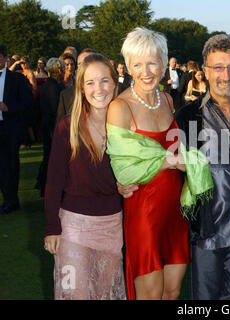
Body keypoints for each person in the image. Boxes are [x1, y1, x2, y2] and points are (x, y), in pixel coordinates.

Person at [106, 27, 193, 300]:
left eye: (153, 62)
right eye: (137, 64)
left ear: (165, 63)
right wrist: (170, 161)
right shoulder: (120, 107)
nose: (146, 71)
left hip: (176, 211)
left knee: (172, 290)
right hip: (145, 213)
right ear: (128, 66)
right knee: (151, 294)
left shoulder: (167, 99)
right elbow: (122, 167)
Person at [175, 33, 230, 300]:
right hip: (205, 231)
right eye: (218, 67)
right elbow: (168, 166)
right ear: (204, 72)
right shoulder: (187, 116)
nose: (226, 74)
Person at [44, 53, 125, 300]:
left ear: (114, 84)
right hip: (73, 229)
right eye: (90, 82)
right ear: (81, 87)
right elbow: (54, 181)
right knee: (74, 293)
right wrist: (52, 227)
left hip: (113, 227)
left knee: (106, 295)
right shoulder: (68, 127)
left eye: (104, 81)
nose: (98, 89)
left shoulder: (126, 128)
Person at [0, 43, 33, 214]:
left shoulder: (17, 79)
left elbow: (27, 105)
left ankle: (11, 200)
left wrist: (8, 108)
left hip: (9, 129)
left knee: (10, 166)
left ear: (5, 58)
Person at [36, 58, 66, 197]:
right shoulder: (53, 87)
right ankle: (45, 186)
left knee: (48, 156)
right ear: (59, 70)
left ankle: (43, 185)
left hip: (49, 125)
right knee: (50, 157)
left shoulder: (49, 85)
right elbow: (55, 109)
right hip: (52, 127)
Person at [56, 48, 97, 123]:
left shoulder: (108, 93)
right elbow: (60, 128)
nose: (84, 67)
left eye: (89, 63)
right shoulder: (66, 95)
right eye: (80, 64)